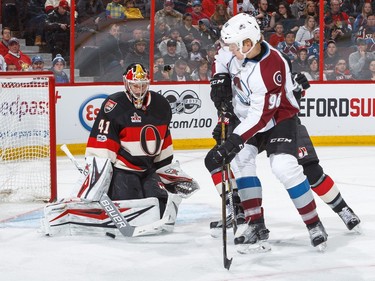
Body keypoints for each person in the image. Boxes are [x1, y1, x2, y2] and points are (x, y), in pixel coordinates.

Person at [204, 13, 329, 251]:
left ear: (248, 43)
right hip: (248, 117)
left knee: (284, 167)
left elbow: (260, 117)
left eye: (233, 45)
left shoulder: (270, 66)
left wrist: (232, 141)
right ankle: (255, 224)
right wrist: (219, 78)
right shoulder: (239, 51)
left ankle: (314, 224)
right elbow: (220, 57)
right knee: (242, 161)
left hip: (278, 119)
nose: (229, 49)